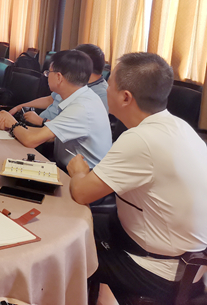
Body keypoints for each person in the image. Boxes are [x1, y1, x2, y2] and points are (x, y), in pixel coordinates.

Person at [67, 52, 207, 304]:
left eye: (109, 84)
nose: (105, 89)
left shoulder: (141, 139)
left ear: (125, 97)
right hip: (184, 259)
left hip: (159, 270)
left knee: (64, 252)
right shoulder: (179, 126)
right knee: (76, 225)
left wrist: (78, 171)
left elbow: (81, 193)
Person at [0, 50, 111, 170]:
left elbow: (31, 140)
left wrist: (12, 123)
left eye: (48, 72)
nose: (47, 76)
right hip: (67, 166)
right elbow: (49, 136)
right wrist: (10, 127)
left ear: (59, 77)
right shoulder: (80, 96)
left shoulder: (81, 108)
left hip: (82, 175)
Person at [10, 44, 109, 126]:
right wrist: (20, 107)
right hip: (41, 127)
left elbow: (70, 128)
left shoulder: (101, 95)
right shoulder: (74, 83)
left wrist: (40, 121)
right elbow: (51, 99)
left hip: (49, 134)